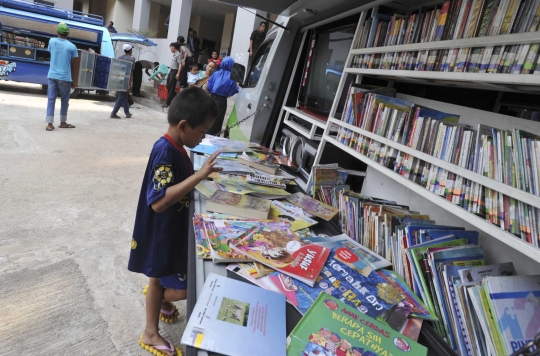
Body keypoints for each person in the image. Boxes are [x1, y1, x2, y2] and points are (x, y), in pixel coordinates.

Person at [128, 87, 222, 356]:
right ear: (183, 125)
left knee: (162, 277)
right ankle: (150, 328)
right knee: (184, 289)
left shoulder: (178, 147)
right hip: (160, 233)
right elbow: (158, 201)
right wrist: (200, 175)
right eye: (202, 130)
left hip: (170, 230)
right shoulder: (165, 152)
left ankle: (159, 299)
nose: (204, 136)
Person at [45, 22, 78, 131]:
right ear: (68, 33)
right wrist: (74, 80)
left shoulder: (51, 41)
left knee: (51, 99)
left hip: (52, 75)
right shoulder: (72, 47)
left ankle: (49, 125)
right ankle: (63, 122)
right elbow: (73, 66)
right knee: (64, 100)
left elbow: (51, 53)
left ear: (57, 32)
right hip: (65, 77)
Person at [206, 57, 239, 137]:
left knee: (207, 119)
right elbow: (232, 91)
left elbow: (208, 86)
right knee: (217, 123)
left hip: (211, 98)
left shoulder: (216, 73)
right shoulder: (232, 77)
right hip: (221, 101)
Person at [110, 44, 135, 119]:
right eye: (131, 49)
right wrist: (130, 83)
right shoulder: (132, 59)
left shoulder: (119, 57)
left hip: (119, 78)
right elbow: (131, 71)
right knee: (121, 96)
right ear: (130, 50)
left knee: (124, 96)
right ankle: (113, 113)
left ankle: (127, 113)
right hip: (126, 79)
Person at [162, 42, 181, 109]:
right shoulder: (174, 55)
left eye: (170, 47)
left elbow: (180, 65)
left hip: (175, 72)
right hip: (171, 71)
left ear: (173, 47)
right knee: (168, 86)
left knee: (171, 88)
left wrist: (178, 73)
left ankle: (168, 103)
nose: (170, 49)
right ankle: (174, 96)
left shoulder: (179, 55)